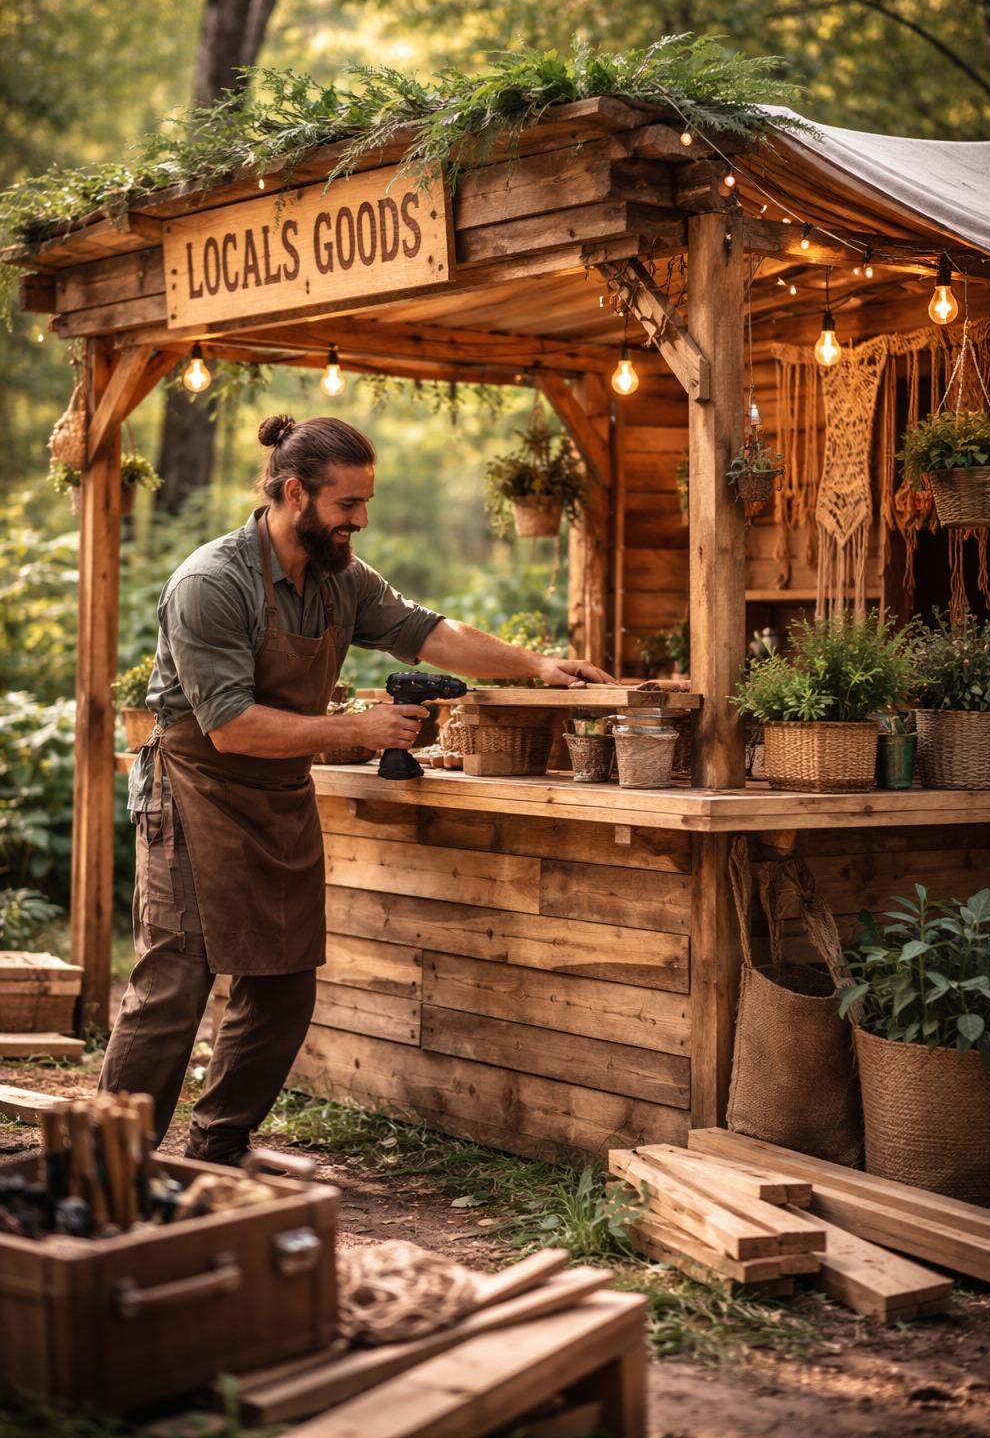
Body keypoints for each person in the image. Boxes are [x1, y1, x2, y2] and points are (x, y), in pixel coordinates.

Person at [99, 413, 615, 1163]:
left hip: (277, 797)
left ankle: (217, 1146)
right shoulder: (212, 583)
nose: (360, 522)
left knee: (282, 987)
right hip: (192, 791)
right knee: (176, 984)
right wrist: (361, 731)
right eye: (347, 505)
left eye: (366, 504)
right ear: (294, 492)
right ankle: (107, 1164)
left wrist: (540, 668)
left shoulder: (342, 582)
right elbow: (230, 728)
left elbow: (428, 631)